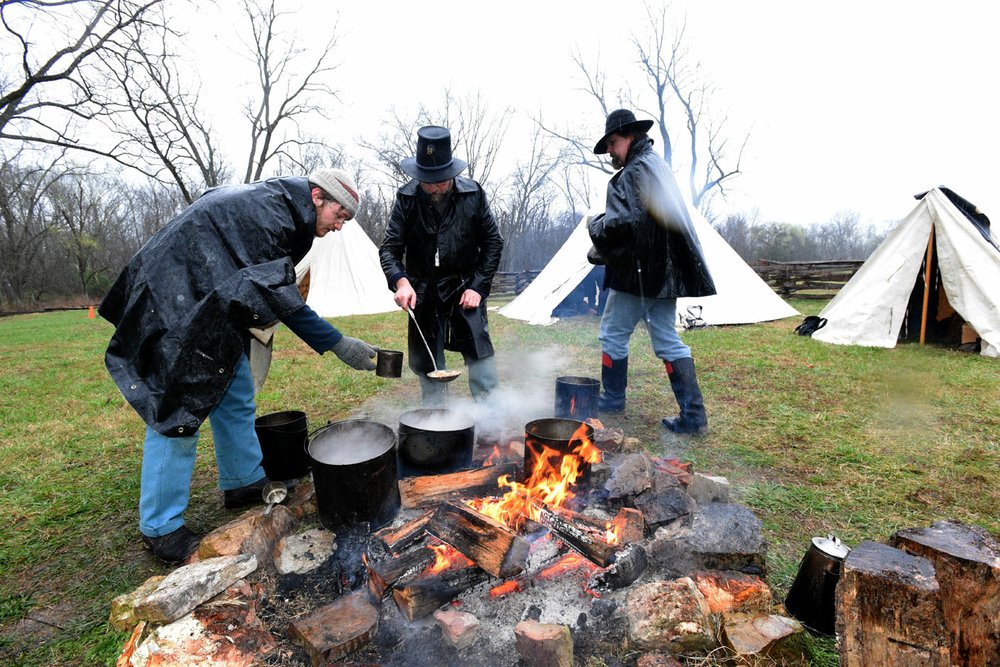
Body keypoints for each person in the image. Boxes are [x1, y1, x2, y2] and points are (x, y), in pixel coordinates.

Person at [99, 168, 378, 564]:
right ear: (318, 195)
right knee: (176, 408)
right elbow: (279, 296)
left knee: (234, 384)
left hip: (210, 301)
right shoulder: (274, 216)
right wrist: (336, 343)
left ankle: (243, 480)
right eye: (340, 215)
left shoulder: (284, 206)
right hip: (174, 301)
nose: (339, 226)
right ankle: (161, 528)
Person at [588, 109, 717, 434]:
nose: (611, 152)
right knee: (667, 339)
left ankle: (613, 398)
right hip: (662, 274)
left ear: (629, 137)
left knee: (612, 334)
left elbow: (626, 223)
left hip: (638, 274)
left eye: (613, 144)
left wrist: (596, 225)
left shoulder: (634, 171)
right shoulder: (655, 164)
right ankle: (694, 416)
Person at [379, 125, 504, 407]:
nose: (434, 187)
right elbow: (389, 248)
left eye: (441, 180)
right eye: (428, 181)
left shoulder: (473, 194)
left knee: (480, 356)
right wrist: (401, 281)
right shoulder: (407, 198)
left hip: (464, 285)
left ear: (452, 173)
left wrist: (478, 287)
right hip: (422, 289)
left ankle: (492, 423)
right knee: (426, 362)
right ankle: (436, 423)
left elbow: (493, 243)